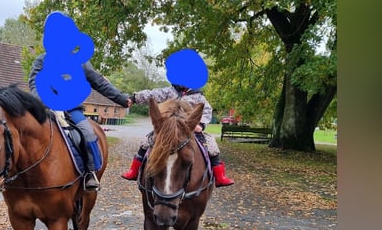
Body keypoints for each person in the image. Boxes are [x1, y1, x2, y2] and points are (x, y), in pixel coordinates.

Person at [29, 53, 132, 190]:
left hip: (70, 109)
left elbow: (99, 82)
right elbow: (34, 84)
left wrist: (122, 99)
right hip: (44, 107)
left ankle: (90, 173)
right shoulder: (41, 60)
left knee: (88, 134)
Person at [121, 83, 235, 187]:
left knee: (211, 144)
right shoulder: (169, 92)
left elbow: (206, 110)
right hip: (168, 129)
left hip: (188, 128)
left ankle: (220, 177)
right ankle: (134, 171)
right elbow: (152, 95)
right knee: (147, 141)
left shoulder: (198, 96)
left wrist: (200, 124)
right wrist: (134, 98)